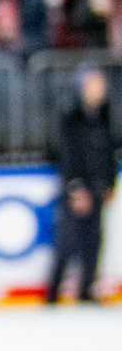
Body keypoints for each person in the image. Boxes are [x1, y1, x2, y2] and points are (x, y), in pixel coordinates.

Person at [49, 66, 117, 304]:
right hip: (77, 189)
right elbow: (67, 154)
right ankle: (53, 292)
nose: (100, 89)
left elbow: (109, 152)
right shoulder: (71, 116)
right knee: (68, 242)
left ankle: (86, 288)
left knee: (94, 241)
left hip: (98, 187)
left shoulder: (104, 116)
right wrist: (76, 186)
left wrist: (109, 182)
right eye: (95, 84)